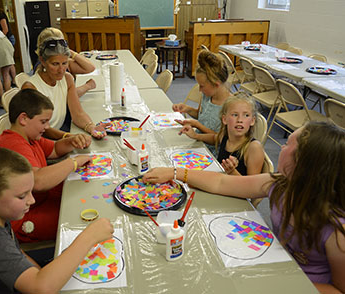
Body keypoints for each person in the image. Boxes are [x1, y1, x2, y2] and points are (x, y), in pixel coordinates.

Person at [143, 121, 345, 293]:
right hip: (272, 264)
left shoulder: (336, 230)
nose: (281, 148)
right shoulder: (279, 184)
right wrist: (175, 173)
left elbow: (339, 289)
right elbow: (222, 183)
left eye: (288, 144)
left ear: (304, 164)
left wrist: (283, 281)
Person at [0, 147, 114, 293]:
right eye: (22, 196)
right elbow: (41, 289)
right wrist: (89, 237)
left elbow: (17, 252)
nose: (31, 200)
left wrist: (39, 271)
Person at [0, 88, 92, 243]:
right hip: (25, 216)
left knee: (83, 193)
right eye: (43, 121)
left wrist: (71, 141)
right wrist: (74, 162)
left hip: (40, 199)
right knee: (82, 220)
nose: (48, 127)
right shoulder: (14, 143)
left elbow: (54, 149)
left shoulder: (29, 136)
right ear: (23, 119)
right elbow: (38, 181)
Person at [22, 36, 106, 140]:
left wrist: (91, 127)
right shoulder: (31, 87)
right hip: (40, 140)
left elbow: (78, 113)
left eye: (64, 63)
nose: (61, 70)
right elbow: (40, 129)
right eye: (55, 64)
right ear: (42, 61)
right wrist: (68, 137)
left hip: (58, 136)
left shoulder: (67, 78)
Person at [179, 94, 264, 175]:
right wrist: (196, 136)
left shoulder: (254, 148)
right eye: (235, 115)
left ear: (252, 120)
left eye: (246, 115)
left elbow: (252, 187)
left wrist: (232, 172)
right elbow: (214, 138)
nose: (240, 120)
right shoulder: (226, 136)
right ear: (224, 119)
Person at [172, 50, 230, 154]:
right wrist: (188, 109)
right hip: (198, 142)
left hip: (212, 153)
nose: (199, 90)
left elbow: (221, 140)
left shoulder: (231, 106)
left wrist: (198, 125)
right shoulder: (207, 95)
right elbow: (201, 116)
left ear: (216, 84)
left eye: (202, 86)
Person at [34, 27, 96, 98]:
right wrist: (87, 86)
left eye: (62, 44)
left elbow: (90, 67)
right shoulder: (42, 68)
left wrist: (69, 52)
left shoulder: (63, 62)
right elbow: (63, 97)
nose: (61, 70)